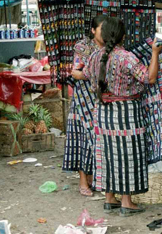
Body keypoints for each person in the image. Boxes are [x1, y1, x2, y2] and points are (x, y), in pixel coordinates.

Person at [80, 17, 162, 217]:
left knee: (108, 154)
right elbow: (148, 77)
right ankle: (127, 202)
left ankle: (110, 198)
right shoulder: (125, 57)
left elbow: (86, 76)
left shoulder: (94, 57)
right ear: (122, 36)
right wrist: (155, 53)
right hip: (126, 112)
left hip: (102, 112)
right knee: (128, 155)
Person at [64, 14, 108, 197]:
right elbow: (75, 72)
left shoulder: (109, 47)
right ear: (93, 31)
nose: (104, 32)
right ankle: (83, 181)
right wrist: (95, 75)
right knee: (83, 139)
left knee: (98, 139)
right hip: (83, 99)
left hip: (100, 99)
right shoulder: (83, 47)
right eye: (101, 29)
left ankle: (95, 178)